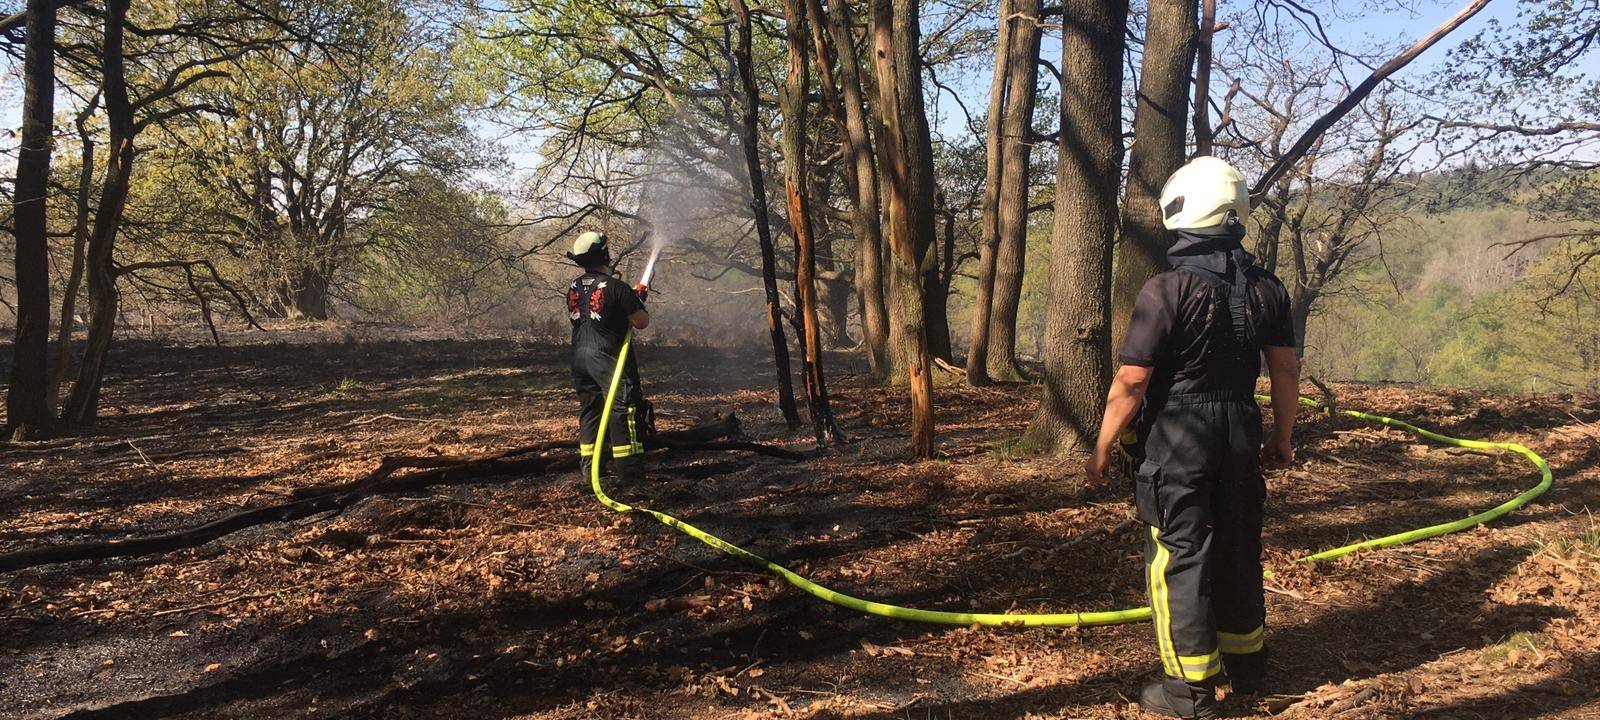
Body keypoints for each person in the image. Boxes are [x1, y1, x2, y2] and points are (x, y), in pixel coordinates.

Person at [1085, 157, 1301, 719]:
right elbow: (1285, 371)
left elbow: (1133, 379)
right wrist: (1283, 437)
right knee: (1236, 544)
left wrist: (1104, 443)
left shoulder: (1166, 289)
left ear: (1181, 212)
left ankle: (1187, 690)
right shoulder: (1268, 287)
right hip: (1239, 433)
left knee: (1181, 555)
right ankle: (1247, 665)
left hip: (1179, 438)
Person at [565, 230, 653, 481]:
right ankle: (629, 472)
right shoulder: (617, 287)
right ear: (604, 253)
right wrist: (636, 302)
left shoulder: (573, 287)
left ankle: (590, 470)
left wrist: (631, 299)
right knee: (622, 408)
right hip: (608, 357)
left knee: (590, 410)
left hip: (579, 357)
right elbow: (641, 322)